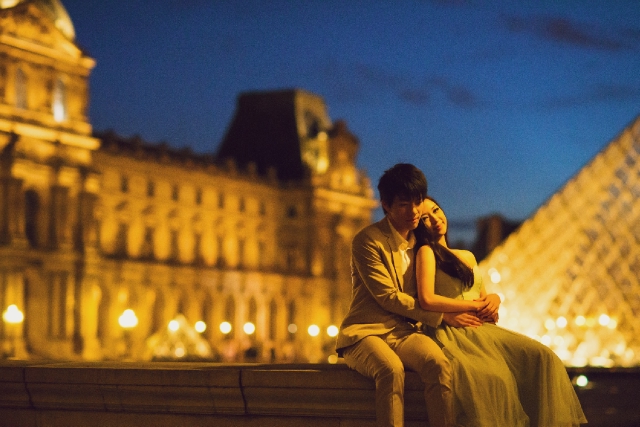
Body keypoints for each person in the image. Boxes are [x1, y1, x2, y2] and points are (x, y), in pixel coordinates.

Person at [414, 196, 587, 427]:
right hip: (454, 332)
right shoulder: (426, 252)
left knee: (544, 357)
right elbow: (427, 299)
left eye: (436, 210)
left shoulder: (468, 256)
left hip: (481, 329)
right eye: (425, 218)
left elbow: (481, 293)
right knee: (496, 377)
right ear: (418, 225)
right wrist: (473, 306)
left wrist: (493, 300)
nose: (435, 219)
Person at [336, 163, 482, 427]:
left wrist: (486, 300)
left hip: (404, 331)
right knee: (390, 370)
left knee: (439, 364)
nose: (414, 212)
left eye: (418, 203)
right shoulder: (367, 240)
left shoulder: (422, 242)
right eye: (404, 204)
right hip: (366, 331)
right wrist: (443, 315)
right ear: (386, 205)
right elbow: (387, 297)